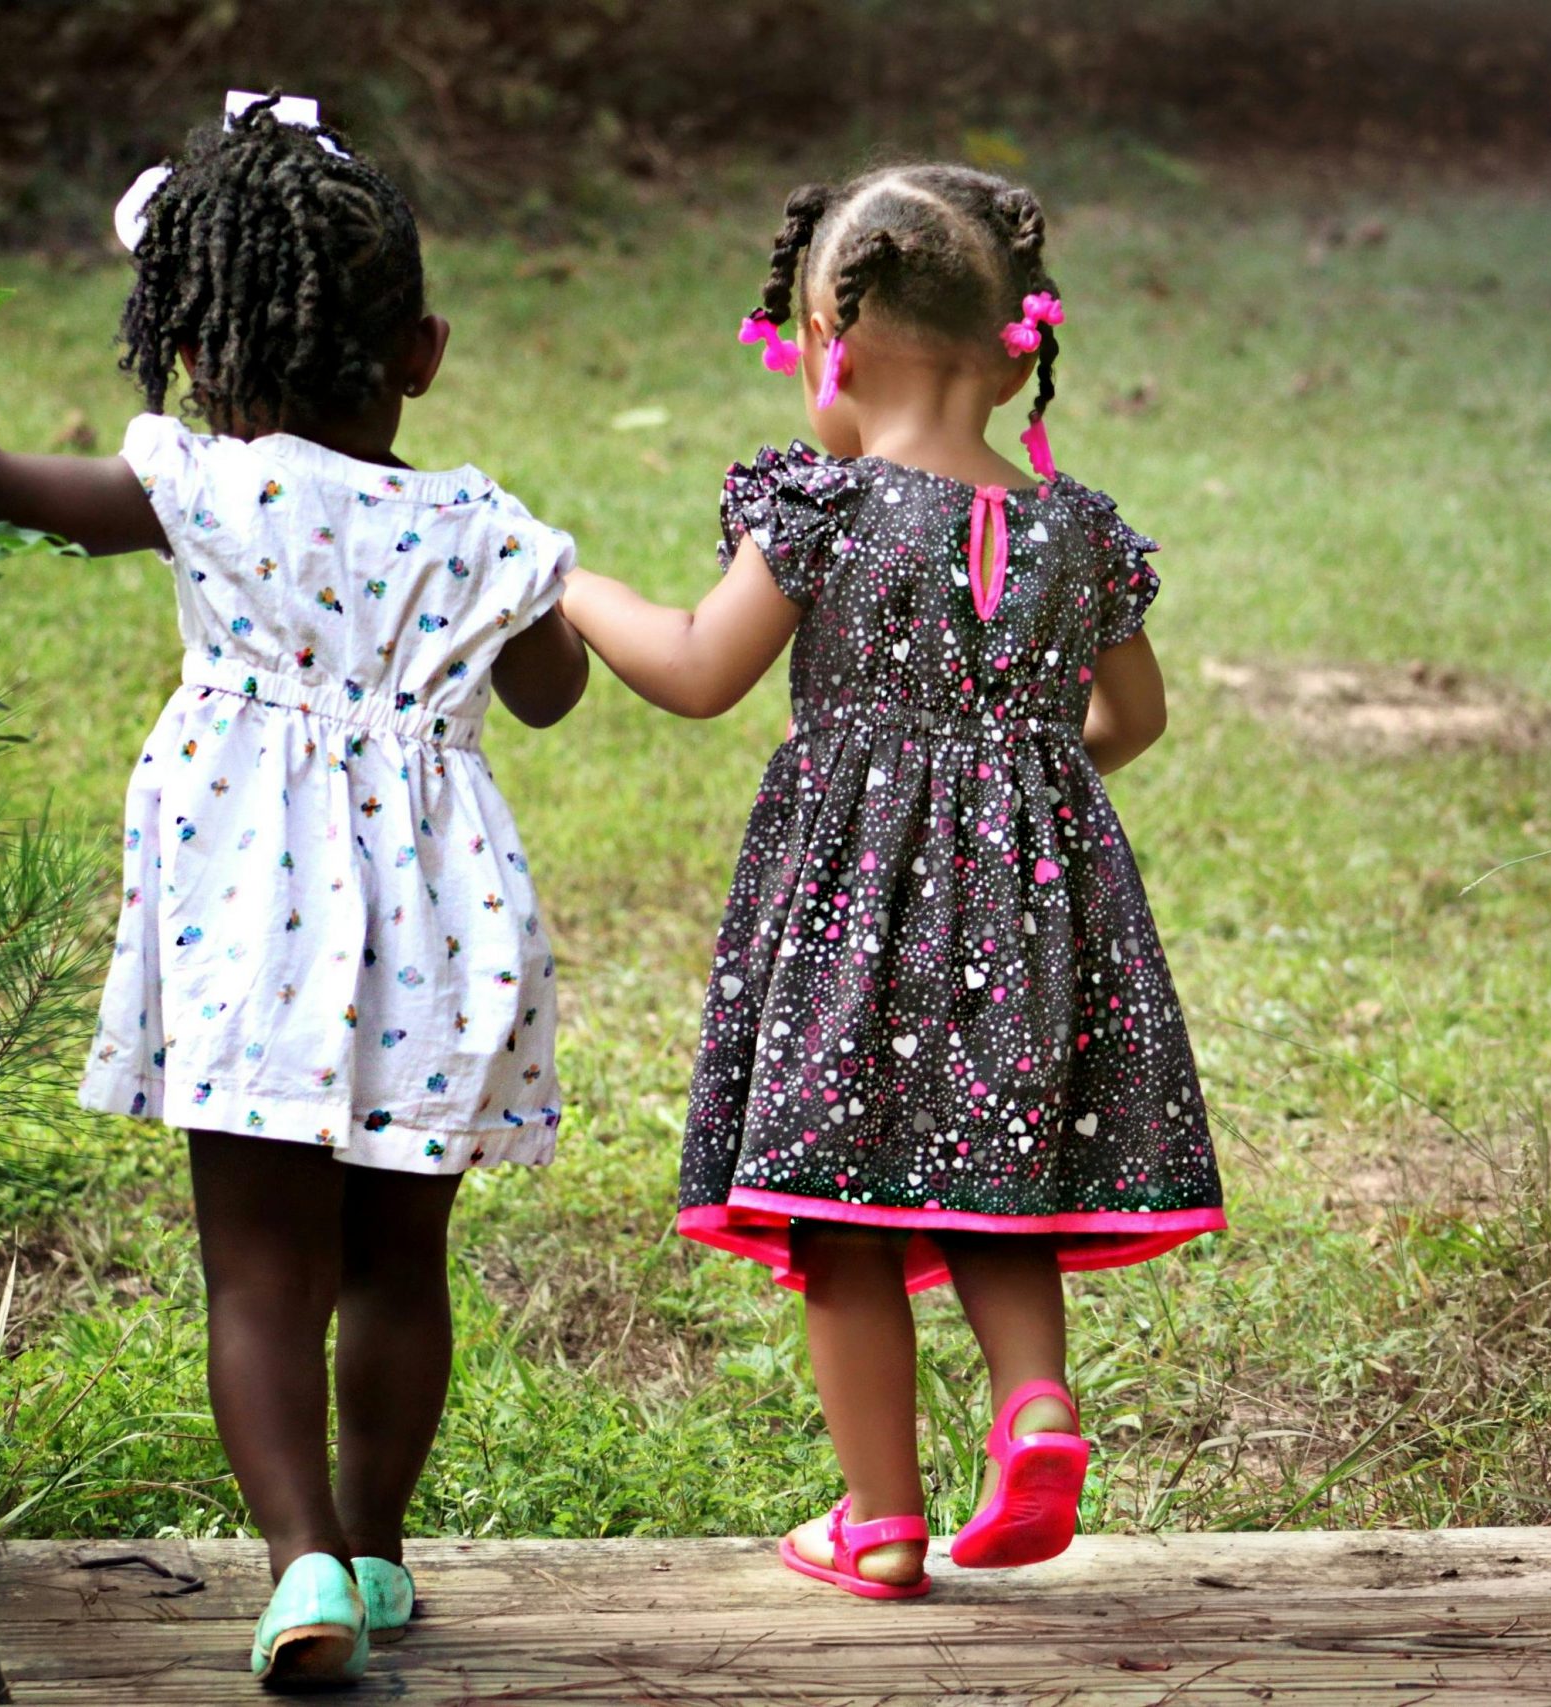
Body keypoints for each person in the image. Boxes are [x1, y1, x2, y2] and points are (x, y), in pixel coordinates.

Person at [0, 94, 588, 1686]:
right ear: (425, 352)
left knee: (261, 1273)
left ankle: (301, 1562)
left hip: (251, 917)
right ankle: (379, 1556)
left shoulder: (199, 486)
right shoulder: (480, 526)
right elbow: (549, 695)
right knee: (402, 1265)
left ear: (187, 349)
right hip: (444, 938)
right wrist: (487, 605)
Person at [559, 165, 1224, 1598]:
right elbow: (1135, 720)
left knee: (844, 1212)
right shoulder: (1082, 532)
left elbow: (693, 669)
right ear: (1015, 346)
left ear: (832, 347)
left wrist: (566, 583)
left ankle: (879, 1519)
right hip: (1032, 916)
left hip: (853, 928)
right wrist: (1028, 797)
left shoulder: (825, 512)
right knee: (1000, 1176)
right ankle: (1035, 1407)